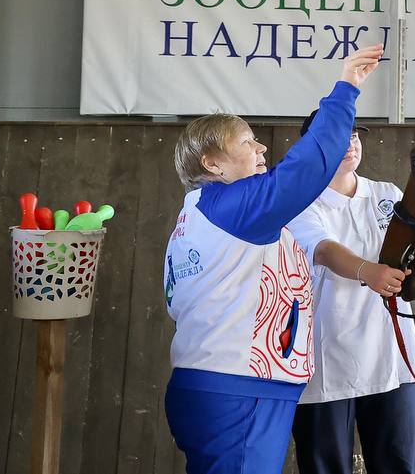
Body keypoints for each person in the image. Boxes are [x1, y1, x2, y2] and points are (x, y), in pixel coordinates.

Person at [163, 45, 392, 474]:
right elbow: (305, 169)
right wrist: (345, 89)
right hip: (238, 387)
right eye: (248, 142)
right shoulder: (236, 208)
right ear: (212, 163)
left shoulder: (196, 213)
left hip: (214, 383)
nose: (261, 149)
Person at [286, 113, 415, 474]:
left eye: (353, 135)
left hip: (390, 355)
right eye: (336, 136)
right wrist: (367, 271)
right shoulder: (299, 203)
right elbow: (324, 250)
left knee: (398, 464)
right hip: (326, 358)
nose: (350, 142)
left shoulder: (387, 194)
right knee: (325, 466)